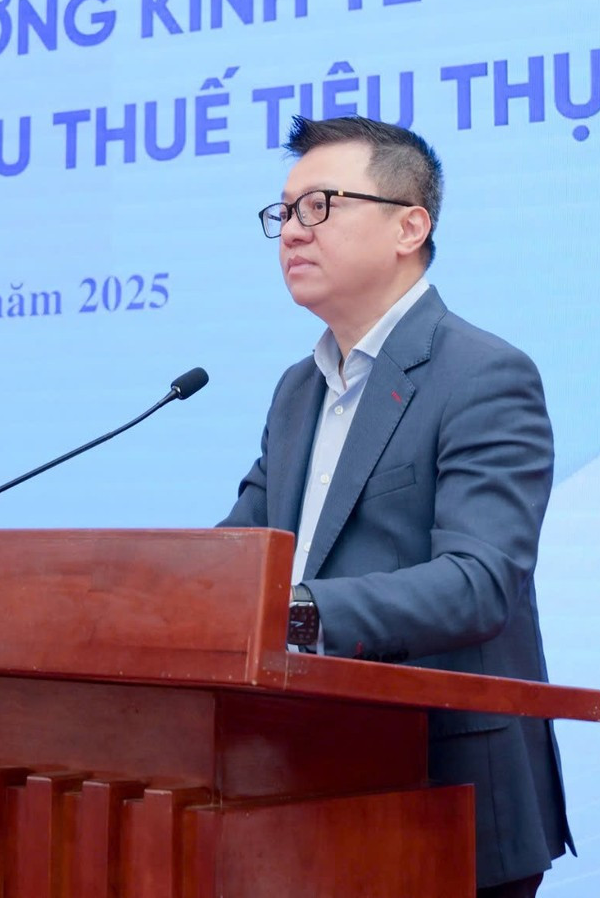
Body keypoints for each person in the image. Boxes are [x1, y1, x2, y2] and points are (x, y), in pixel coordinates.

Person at [219, 115, 573, 898]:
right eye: (285, 212)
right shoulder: (297, 390)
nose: (292, 231)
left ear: (410, 226)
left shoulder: (483, 375)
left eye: (320, 205)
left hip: (442, 790)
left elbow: (479, 581)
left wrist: (298, 613)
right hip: (303, 788)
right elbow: (239, 556)